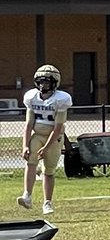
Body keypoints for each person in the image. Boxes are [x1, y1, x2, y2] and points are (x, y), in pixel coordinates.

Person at [18, 64, 72, 216]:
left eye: (47, 82)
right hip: (37, 136)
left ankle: (47, 202)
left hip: (54, 138)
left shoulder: (61, 99)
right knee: (31, 163)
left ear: (54, 83)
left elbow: (58, 127)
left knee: (48, 171)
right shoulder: (31, 97)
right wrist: (25, 146)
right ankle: (27, 196)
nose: (43, 85)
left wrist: (46, 147)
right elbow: (28, 124)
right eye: (41, 82)